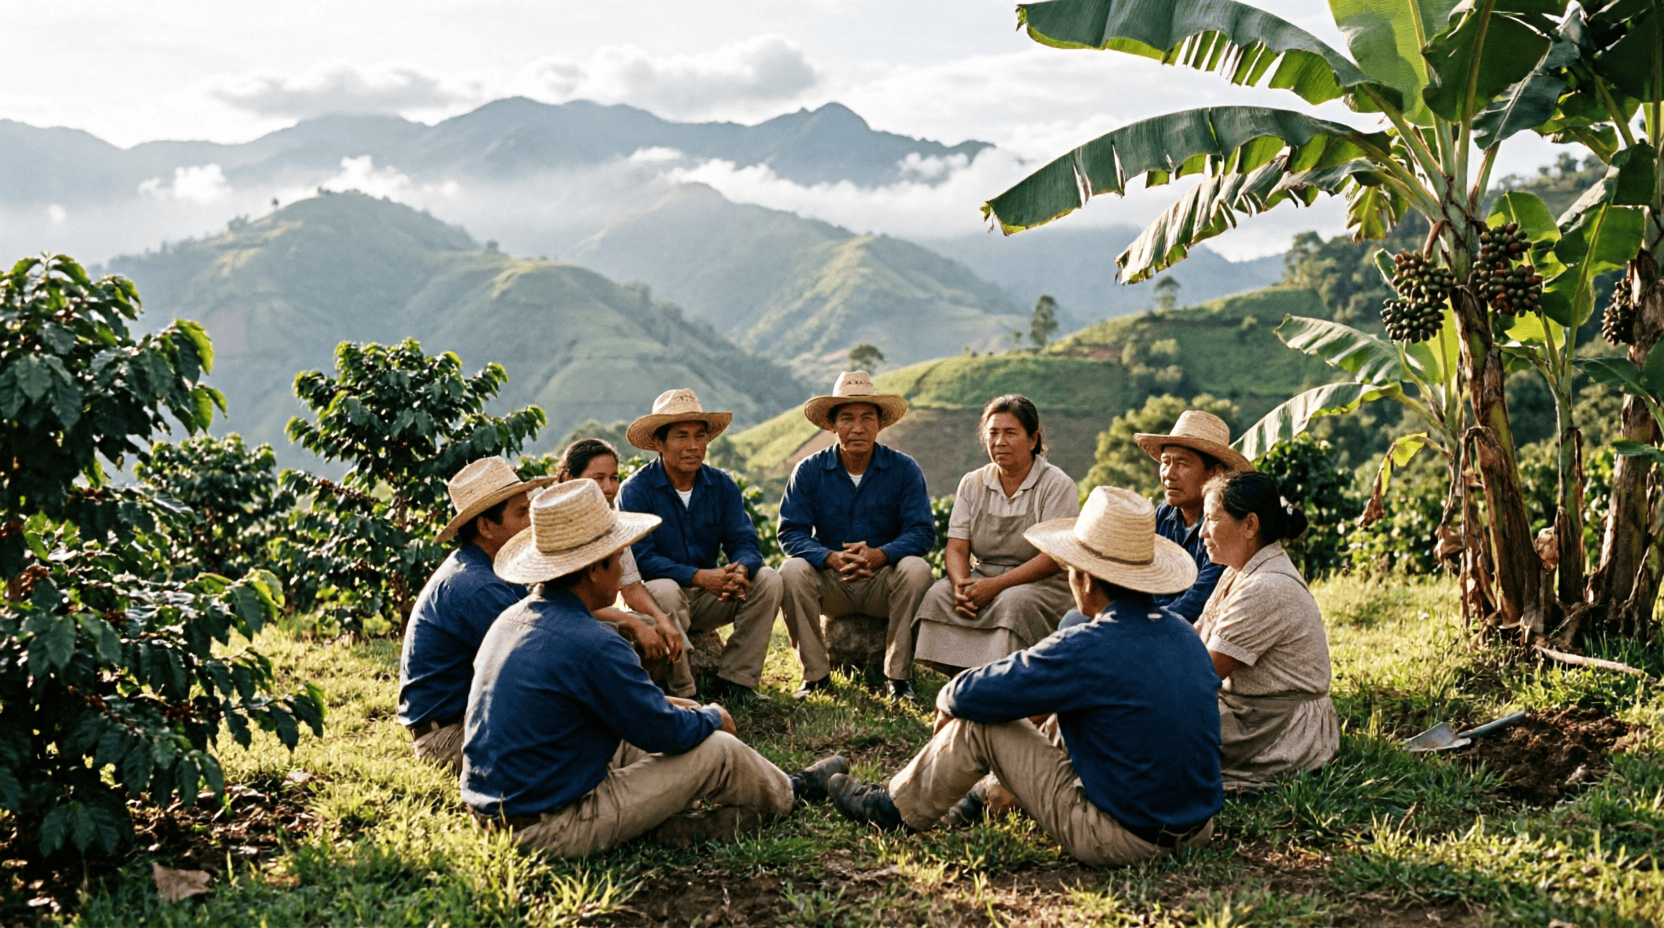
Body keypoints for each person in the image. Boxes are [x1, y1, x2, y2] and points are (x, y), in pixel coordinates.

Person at [822, 487, 1223, 867]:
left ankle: (893, 808)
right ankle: (982, 799)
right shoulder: (1182, 633)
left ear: (1084, 578)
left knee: (981, 727)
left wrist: (948, 696)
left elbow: (980, 692)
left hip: (1124, 838)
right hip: (1196, 831)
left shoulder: (1092, 643)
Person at [460, 480, 848, 856]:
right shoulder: (593, 641)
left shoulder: (512, 620)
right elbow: (665, 734)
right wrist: (712, 717)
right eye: (617, 558)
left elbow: (624, 708)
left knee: (668, 721)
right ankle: (789, 794)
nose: (621, 571)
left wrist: (687, 708)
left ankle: (690, 816)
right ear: (595, 569)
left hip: (493, 813)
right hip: (551, 826)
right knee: (718, 750)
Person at [617, 388, 784, 703]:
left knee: (769, 579)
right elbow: (641, 559)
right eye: (681, 436)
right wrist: (700, 576)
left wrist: (740, 570)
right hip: (660, 601)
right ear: (658, 443)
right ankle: (684, 691)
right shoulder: (636, 491)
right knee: (665, 588)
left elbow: (745, 539)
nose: (693, 446)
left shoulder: (721, 486)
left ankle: (737, 682)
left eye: (700, 436)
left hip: (709, 596)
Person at [777, 371, 935, 701]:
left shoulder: (903, 469)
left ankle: (898, 677)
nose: (858, 427)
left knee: (918, 570)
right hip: (832, 581)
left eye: (867, 418)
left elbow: (921, 531)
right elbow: (790, 531)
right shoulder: (809, 470)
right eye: (847, 418)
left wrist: (881, 555)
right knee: (790, 572)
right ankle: (815, 677)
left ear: (880, 424)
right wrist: (829, 557)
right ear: (832, 425)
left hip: (882, 581)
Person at [397, 457, 556, 772]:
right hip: (448, 738)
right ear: (485, 527)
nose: (531, 522)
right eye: (521, 513)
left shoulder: (487, 569)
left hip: (464, 721)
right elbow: (542, 657)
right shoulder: (478, 588)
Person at [914, 395, 1079, 675]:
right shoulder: (973, 482)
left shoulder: (1057, 484)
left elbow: (1052, 558)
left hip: (1042, 583)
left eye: (1010, 433)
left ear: (1032, 439)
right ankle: (958, 677)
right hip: (983, 576)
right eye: (993, 433)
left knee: (1013, 603)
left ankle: (1007, 678)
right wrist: (961, 586)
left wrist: (996, 586)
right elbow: (956, 548)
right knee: (938, 595)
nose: (999, 441)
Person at [1196, 471, 1339, 790]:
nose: (1203, 532)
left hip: (1277, 727)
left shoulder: (1266, 587)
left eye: (1211, 519)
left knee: (1149, 730)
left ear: (1249, 525)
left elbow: (1201, 674)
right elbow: (1195, 634)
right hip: (1250, 710)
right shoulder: (1238, 571)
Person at [555, 437, 683, 674]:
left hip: (594, 614)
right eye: (598, 478)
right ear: (568, 479)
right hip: (565, 621)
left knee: (657, 626)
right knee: (621, 634)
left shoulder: (610, 519)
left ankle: (681, 691)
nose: (609, 488)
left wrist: (662, 620)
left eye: (613, 478)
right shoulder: (552, 525)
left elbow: (631, 586)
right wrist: (632, 622)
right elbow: (567, 602)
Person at [1131, 410, 1252, 622]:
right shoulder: (1163, 515)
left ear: (1214, 473)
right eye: (1165, 461)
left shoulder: (1223, 525)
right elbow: (1143, 577)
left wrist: (1150, 621)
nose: (1168, 473)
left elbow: (1200, 598)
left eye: (1182, 463)